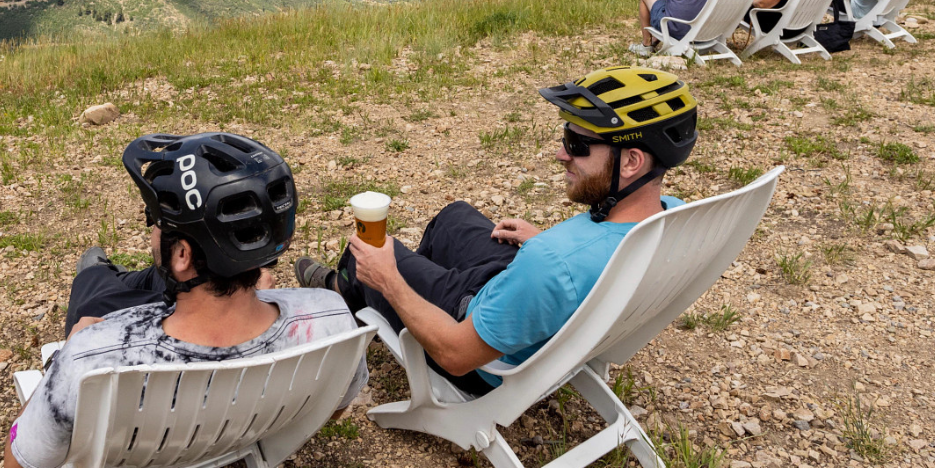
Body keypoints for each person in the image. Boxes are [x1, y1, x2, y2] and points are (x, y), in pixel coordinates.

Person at [2, 132, 364, 468]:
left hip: (132, 446)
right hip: (249, 417)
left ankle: (96, 273)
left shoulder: (91, 356)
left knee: (93, 287)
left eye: (155, 221)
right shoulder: (331, 317)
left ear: (182, 255)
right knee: (136, 283)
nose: (153, 231)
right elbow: (332, 407)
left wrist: (65, 355)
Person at [295, 67, 696, 393]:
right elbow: (599, 262)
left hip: (479, 345)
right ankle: (422, 287)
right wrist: (543, 241)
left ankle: (346, 291)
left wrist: (391, 280)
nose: (561, 154)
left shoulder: (552, 264)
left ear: (631, 163)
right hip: (526, 290)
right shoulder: (671, 218)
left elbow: (456, 354)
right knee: (454, 216)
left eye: (577, 143)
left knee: (369, 251)